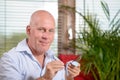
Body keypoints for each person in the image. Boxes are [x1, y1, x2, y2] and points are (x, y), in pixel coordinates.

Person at [0, 10, 80, 80]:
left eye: (51, 31)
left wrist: (69, 77)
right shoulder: (10, 60)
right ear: (29, 30)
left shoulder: (55, 61)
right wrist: (45, 78)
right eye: (41, 29)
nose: (46, 36)